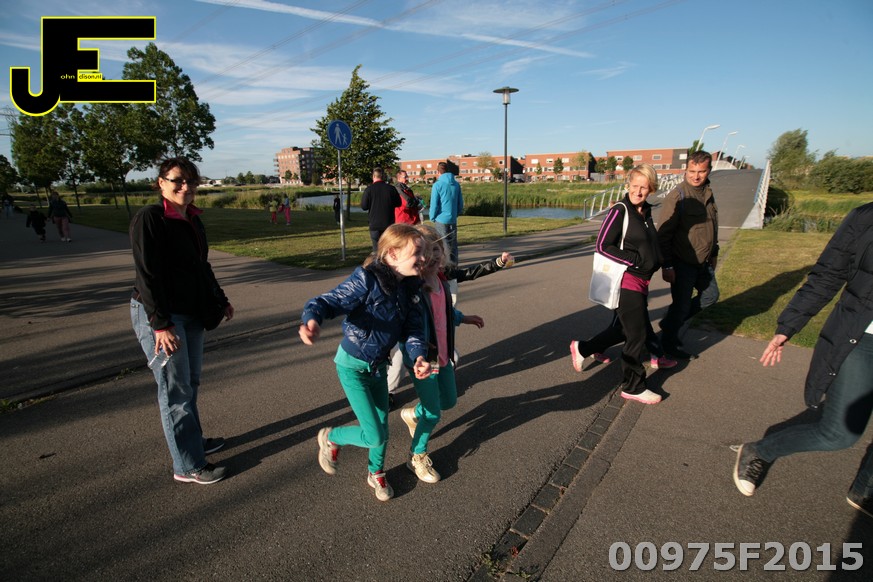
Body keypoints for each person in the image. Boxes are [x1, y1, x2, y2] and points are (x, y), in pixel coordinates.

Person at [733, 202, 873, 518]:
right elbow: (827, 275)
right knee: (839, 433)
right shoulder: (866, 218)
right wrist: (788, 326)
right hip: (863, 339)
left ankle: (865, 489)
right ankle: (759, 450)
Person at [300, 223, 432, 502]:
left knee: (382, 427)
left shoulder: (411, 289)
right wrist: (312, 320)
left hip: (378, 368)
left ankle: (376, 472)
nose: (424, 258)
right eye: (417, 252)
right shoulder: (367, 279)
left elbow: (413, 331)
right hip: (352, 367)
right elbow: (328, 301)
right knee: (374, 435)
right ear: (392, 253)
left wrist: (419, 355)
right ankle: (332, 437)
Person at [129, 157, 234, 485]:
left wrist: (220, 298)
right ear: (161, 182)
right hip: (162, 316)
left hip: (191, 312)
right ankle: (188, 465)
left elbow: (201, 266)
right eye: (178, 180)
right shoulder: (151, 218)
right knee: (175, 390)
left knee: (190, 383)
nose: (185, 186)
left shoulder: (192, 218)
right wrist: (160, 324)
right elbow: (147, 275)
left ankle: (193, 441)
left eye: (191, 181)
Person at [569, 164, 664, 404]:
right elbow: (602, 245)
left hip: (642, 281)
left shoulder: (645, 212)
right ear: (628, 185)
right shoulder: (620, 210)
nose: (638, 191)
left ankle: (583, 348)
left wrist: (661, 261)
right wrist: (635, 261)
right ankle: (633, 387)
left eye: (644, 187)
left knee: (623, 329)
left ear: (651, 188)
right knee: (637, 335)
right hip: (626, 280)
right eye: (635, 186)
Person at [397, 224, 485, 483]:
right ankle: (417, 455)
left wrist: (464, 318)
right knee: (434, 412)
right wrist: (416, 355)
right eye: (425, 251)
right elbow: (404, 326)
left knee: (448, 401)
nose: (432, 256)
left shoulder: (442, 284)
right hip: (423, 360)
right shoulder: (413, 288)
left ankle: (413, 414)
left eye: (436, 249)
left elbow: (444, 313)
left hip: (443, 355)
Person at [386, 247, 515, 408]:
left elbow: (467, 276)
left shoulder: (441, 277)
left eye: (438, 252)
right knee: (405, 366)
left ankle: (427, 405)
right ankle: (390, 392)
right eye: (428, 253)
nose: (434, 258)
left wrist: (498, 263)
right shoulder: (413, 285)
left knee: (448, 386)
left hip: (439, 348)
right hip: (423, 349)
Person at [656, 149, 719, 359]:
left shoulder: (707, 192)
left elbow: (712, 226)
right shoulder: (678, 196)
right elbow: (663, 234)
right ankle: (668, 346)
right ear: (686, 170)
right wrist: (667, 265)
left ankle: (669, 322)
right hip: (682, 262)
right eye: (692, 171)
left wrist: (714, 253)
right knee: (681, 306)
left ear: (709, 170)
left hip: (703, 262)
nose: (696, 176)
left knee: (710, 296)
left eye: (701, 171)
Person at [429, 161, 464, 269]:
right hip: (452, 218)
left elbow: (434, 204)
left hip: (441, 218)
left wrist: (432, 217)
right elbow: (460, 203)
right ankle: (454, 266)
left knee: (442, 245)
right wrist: (456, 214)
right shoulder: (456, 184)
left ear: (438, 172)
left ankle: (444, 267)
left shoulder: (437, 185)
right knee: (453, 245)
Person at [361, 167, 401, 252]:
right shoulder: (391, 189)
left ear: (373, 176)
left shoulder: (369, 190)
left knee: (376, 250)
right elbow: (398, 203)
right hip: (388, 223)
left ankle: (377, 259)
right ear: (383, 176)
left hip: (374, 224)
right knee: (388, 249)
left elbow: (364, 206)